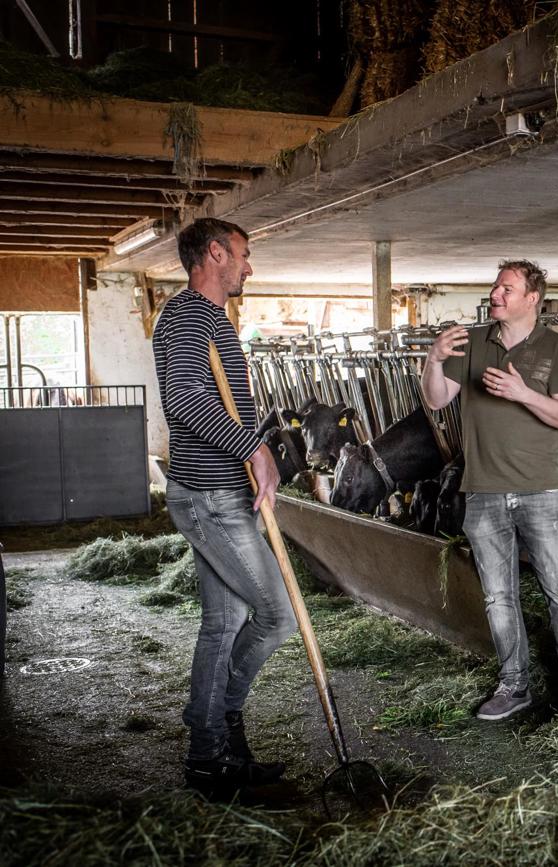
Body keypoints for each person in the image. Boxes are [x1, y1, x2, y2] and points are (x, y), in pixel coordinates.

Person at [152, 218, 296, 791]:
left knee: (225, 621)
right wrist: (254, 447)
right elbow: (185, 401)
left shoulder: (210, 318)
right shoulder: (190, 316)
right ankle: (220, 720)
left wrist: (255, 445)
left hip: (218, 493)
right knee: (276, 615)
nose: (248, 265)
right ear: (215, 253)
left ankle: (210, 757)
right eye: (243, 253)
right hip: (212, 499)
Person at [421, 259, 558, 721]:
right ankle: (514, 686)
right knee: (499, 595)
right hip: (484, 490)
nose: (496, 294)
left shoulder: (557, 348)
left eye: (507, 289)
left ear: (532, 298)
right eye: (496, 287)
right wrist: (433, 359)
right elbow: (436, 400)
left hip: (542, 490)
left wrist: (524, 394)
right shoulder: (473, 343)